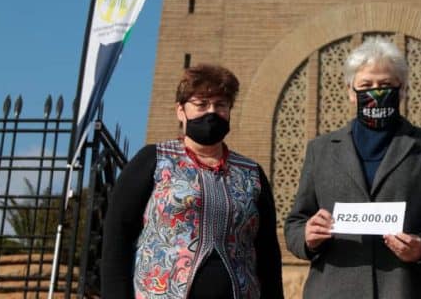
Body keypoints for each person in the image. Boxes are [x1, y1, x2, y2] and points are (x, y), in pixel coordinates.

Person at [284, 37, 421, 299]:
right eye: (366, 85)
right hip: (334, 290)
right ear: (351, 91)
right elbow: (295, 222)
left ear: (402, 89)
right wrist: (307, 236)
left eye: (385, 85)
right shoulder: (322, 150)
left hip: (408, 289)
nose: (376, 92)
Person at [101, 64, 284, 299]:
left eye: (221, 105)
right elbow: (118, 235)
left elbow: (268, 253)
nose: (212, 112)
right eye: (201, 105)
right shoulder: (154, 160)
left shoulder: (251, 173)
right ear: (181, 110)